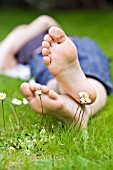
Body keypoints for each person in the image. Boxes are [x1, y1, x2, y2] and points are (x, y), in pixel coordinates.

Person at [0, 15, 113, 128]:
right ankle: (80, 111)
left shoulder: (20, 32)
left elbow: (45, 21)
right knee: (93, 69)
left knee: (51, 72)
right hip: (51, 54)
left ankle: (63, 83)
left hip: (62, 49)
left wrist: (59, 43)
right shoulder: (18, 35)